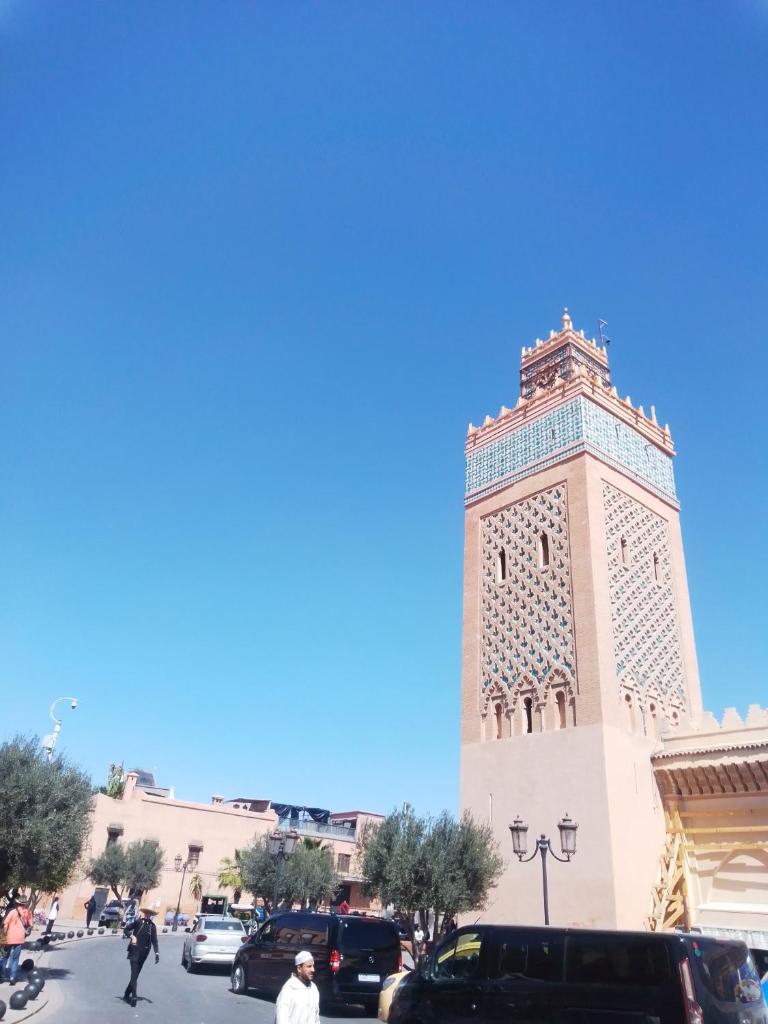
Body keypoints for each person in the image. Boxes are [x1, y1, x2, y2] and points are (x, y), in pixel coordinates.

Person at [122, 906, 159, 1007]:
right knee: (134, 974)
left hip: (144, 954)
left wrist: (157, 953)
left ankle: (126, 994)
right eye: (147, 913)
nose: (148, 915)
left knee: (135, 975)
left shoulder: (152, 927)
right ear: (144, 914)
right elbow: (126, 929)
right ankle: (134, 996)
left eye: (150, 914)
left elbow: (154, 941)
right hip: (134, 951)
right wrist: (132, 936)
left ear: (151, 916)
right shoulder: (138, 922)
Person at [275, 950, 319, 1024]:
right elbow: (281, 1019)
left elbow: (316, 1018)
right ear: (299, 968)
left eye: (313, 966)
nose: (313, 969)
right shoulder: (289, 989)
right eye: (309, 966)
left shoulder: (314, 989)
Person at [0, 896, 33, 985]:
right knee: (15, 959)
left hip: (9, 938)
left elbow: (5, 924)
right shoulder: (28, 912)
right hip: (20, 939)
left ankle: (2, 976)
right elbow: (30, 925)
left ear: (17, 903)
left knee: (4, 957)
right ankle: (12, 977)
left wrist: (4, 936)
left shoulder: (13, 912)